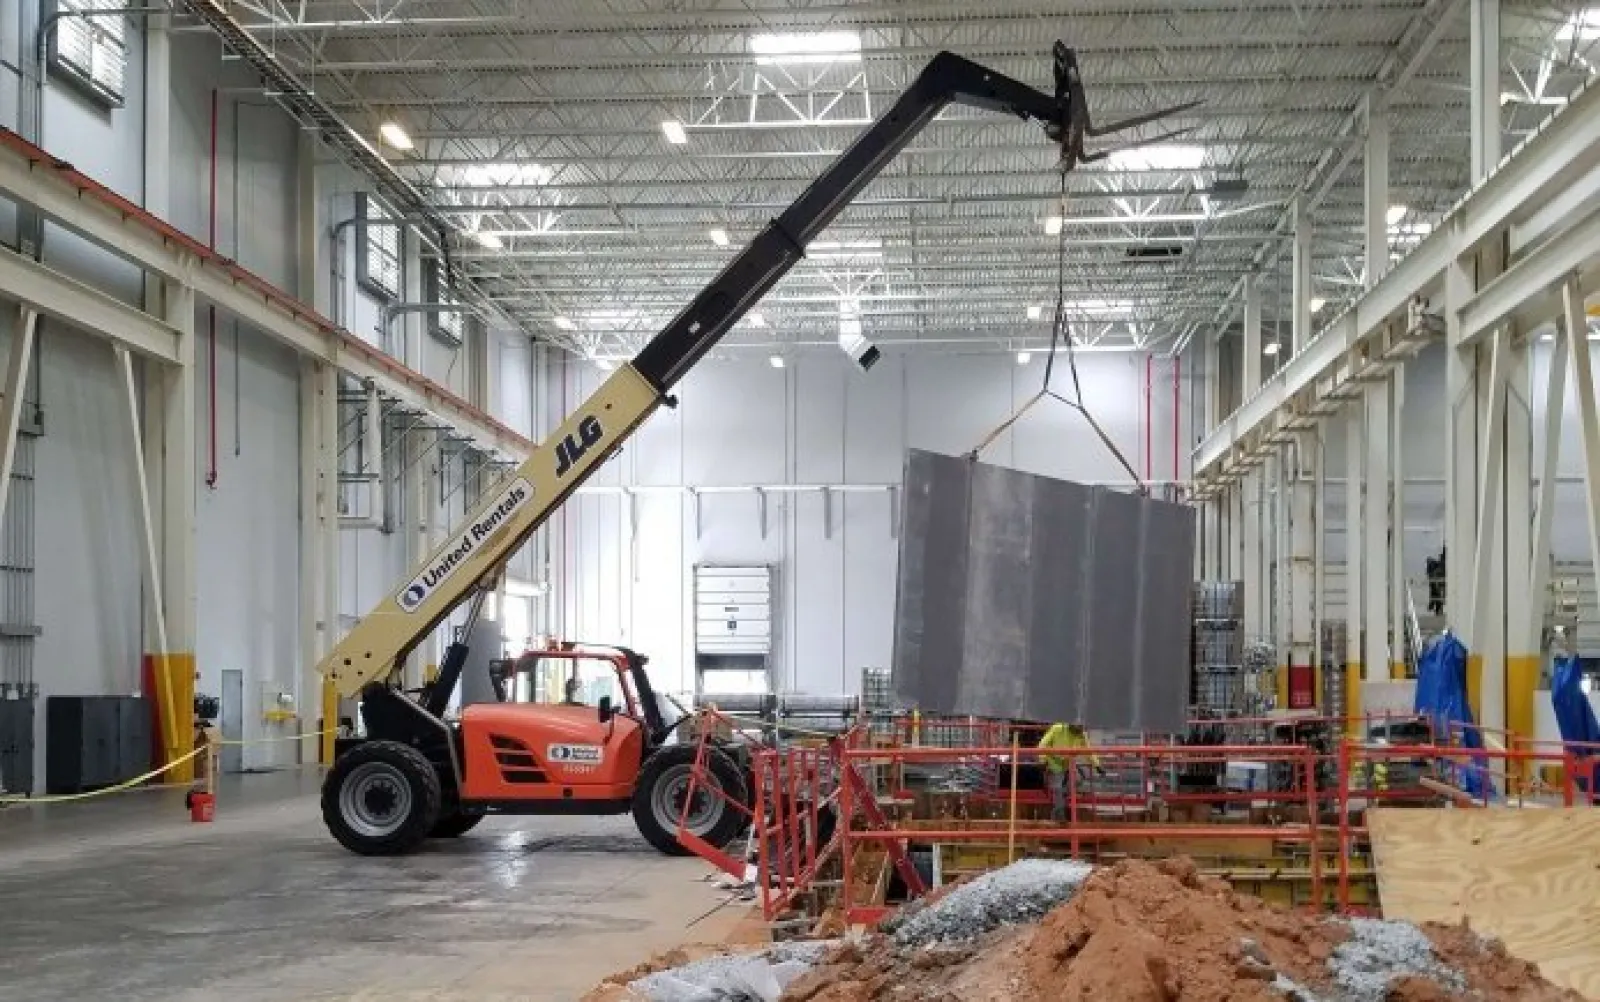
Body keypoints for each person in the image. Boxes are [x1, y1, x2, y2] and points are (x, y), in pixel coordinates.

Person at [1037, 721, 1105, 822]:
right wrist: (1043, 761)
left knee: (1078, 779)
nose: (1081, 728)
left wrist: (1097, 765)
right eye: (1078, 726)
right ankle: (1059, 817)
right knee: (1057, 788)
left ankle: (1061, 795)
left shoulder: (1081, 735)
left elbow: (1088, 751)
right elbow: (1042, 745)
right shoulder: (1057, 729)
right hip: (1054, 763)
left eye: (1082, 726)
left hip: (1068, 763)